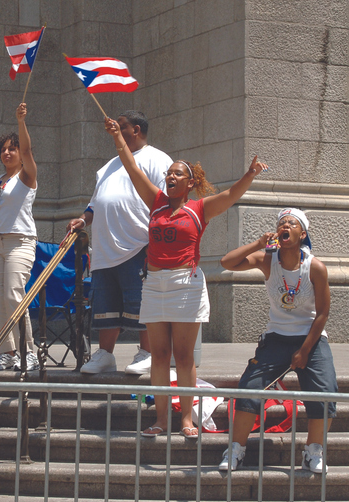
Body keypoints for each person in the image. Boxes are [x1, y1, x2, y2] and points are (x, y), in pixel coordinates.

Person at [101, 116, 268, 439]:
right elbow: (132, 169)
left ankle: (187, 419)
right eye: (168, 173)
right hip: (154, 285)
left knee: (183, 356)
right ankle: (161, 420)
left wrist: (250, 174)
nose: (169, 177)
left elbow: (232, 195)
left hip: (185, 286)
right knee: (159, 356)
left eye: (177, 173)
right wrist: (117, 139)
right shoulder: (156, 202)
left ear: (190, 183)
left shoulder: (199, 208)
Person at [218, 208, 335, 473]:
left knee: (325, 392)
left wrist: (304, 351)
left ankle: (313, 451)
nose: (284, 226)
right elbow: (227, 262)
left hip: (311, 338)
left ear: (302, 233)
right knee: (249, 388)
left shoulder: (315, 266)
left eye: (291, 223)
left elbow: (324, 313)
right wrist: (259, 243)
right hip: (276, 337)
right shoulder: (267, 259)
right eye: (281, 223)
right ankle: (236, 448)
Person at [68, 111, 171, 376]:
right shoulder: (109, 165)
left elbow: (165, 203)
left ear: (136, 130)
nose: (114, 129)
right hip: (105, 248)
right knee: (105, 304)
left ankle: (147, 352)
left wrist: (156, 242)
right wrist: (82, 219)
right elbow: (94, 203)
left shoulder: (157, 159)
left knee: (142, 303)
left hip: (138, 244)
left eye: (122, 126)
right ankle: (105, 355)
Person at [0, 103, 39, 371]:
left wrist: (21, 121)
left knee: (13, 295)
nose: (7, 152)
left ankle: (28, 350)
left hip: (20, 241)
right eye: (3, 149)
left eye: (12, 148)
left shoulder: (27, 176)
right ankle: (7, 352)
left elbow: (28, 150)